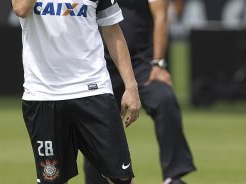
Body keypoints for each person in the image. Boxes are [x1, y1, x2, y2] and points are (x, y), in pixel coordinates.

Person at [11, 0, 141, 184]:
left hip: (92, 90)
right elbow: (21, 9)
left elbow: (112, 31)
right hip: (43, 95)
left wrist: (131, 86)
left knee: (121, 178)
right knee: (51, 179)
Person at [84, 0, 196, 184]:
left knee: (165, 99)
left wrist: (158, 63)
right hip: (101, 64)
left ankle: (173, 176)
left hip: (141, 63)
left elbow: (161, 16)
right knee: (97, 120)